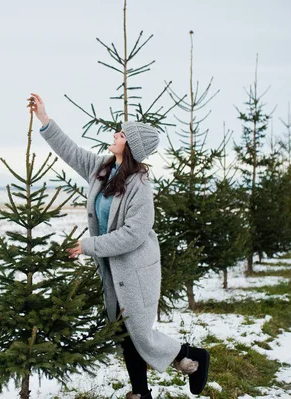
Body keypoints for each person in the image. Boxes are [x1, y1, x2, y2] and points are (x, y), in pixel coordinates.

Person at [28, 93, 210, 398]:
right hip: (114, 269)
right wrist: (44, 119)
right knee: (126, 332)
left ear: (132, 146)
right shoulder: (103, 168)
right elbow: (70, 151)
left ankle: (191, 356)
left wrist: (88, 245)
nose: (115, 134)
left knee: (137, 332)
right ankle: (149, 387)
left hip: (137, 270)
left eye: (121, 134)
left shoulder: (140, 187)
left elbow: (132, 235)